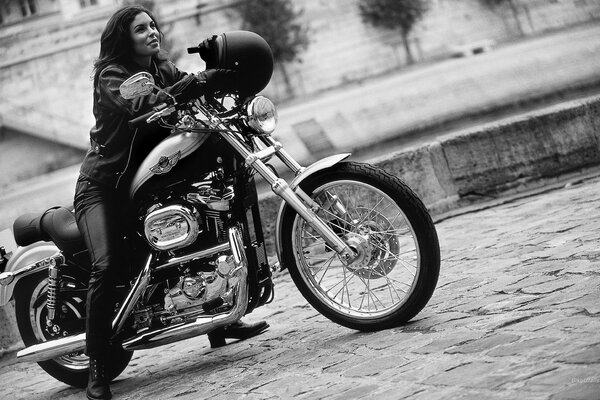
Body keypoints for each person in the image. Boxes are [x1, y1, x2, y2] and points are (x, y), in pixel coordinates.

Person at [74, 6, 268, 400]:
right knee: (107, 264)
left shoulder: (162, 69)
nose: (152, 33)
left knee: (203, 222)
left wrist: (221, 79)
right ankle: (98, 363)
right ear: (122, 38)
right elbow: (143, 104)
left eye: (153, 26)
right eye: (140, 29)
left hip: (142, 182)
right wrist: (196, 83)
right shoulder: (112, 77)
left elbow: (184, 88)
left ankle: (222, 321)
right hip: (103, 186)